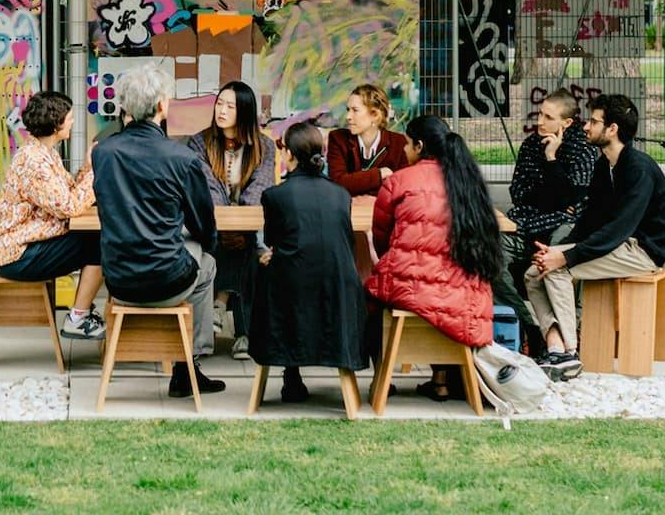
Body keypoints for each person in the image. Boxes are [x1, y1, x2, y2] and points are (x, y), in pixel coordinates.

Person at [91, 63, 225, 398]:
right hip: (168, 279)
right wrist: (208, 245)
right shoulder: (181, 158)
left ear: (125, 107)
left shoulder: (103, 153)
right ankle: (188, 365)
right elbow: (203, 224)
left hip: (118, 279)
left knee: (195, 256)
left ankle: (183, 364)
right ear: (163, 106)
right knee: (207, 264)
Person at [524, 94, 665, 380]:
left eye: (594, 122)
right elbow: (590, 220)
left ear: (612, 129)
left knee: (558, 270)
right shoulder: (603, 165)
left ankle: (568, 354)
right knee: (535, 273)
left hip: (643, 250)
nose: (586, 127)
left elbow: (619, 229)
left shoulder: (638, 169)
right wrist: (556, 251)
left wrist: (566, 257)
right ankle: (555, 343)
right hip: (618, 243)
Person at [366, 114, 501, 401]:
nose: (404, 150)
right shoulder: (468, 180)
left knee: (369, 297)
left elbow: (381, 238)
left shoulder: (399, 181)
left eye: (407, 144)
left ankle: (382, 380)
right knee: (440, 299)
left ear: (419, 145)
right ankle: (440, 381)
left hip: (410, 288)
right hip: (463, 293)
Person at [250, 121, 366, 403]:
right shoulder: (341, 194)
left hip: (293, 286)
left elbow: (274, 241)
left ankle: (291, 373)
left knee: (265, 271)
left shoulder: (274, 196)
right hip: (338, 288)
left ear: (288, 154)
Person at [0, 91, 107, 340]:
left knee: (97, 242)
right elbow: (68, 206)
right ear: (56, 125)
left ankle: (81, 312)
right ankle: (78, 318)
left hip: (24, 245)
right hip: (17, 255)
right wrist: (95, 170)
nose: (73, 122)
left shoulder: (43, 151)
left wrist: (87, 166)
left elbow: (69, 191)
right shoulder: (34, 162)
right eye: (70, 118)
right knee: (100, 245)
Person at [499, 88, 598, 356]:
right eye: (540, 114)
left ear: (567, 122)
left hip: (560, 226)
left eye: (548, 117)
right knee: (487, 250)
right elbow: (519, 193)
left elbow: (575, 200)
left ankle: (565, 335)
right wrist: (557, 198)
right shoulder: (531, 145)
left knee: (561, 249)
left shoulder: (584, 149)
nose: (540, 121)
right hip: (527, 224)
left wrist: (551, 159)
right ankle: (529, 327)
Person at [185, 80, 275, 360]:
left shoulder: (264, 146)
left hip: (249, 225)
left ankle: (220, 304)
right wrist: (227, 226)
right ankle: (244, 334)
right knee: (228, 245)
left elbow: (259, 190)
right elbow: (207, 189)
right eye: (219, 104)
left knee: (253, 248)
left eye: (230, 106)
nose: (221, 111)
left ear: (245, 111)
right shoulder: (199, 142)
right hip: (214, 223)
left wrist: (240, 224)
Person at [326, 84, 410, 196]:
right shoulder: (338, 138)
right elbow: (337, 183)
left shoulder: (399, 143)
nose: (348, 116)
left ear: (375, 115)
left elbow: (402, 188)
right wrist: (379, 174)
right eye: (348, 110)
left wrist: (356, 184)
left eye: (355, 110)